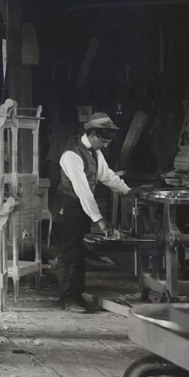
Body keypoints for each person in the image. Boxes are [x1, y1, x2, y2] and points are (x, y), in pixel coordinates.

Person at [52, 111, 137, 313]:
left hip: (80, 207)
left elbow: (107, 176)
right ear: (92, 134)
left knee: (80, 253)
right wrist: (100, 220)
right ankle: (67, 299)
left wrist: (128, 191)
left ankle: (77, 295)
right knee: (70, 253)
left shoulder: (94, 152)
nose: (106, 145)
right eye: (104, 141)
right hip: (68, 206)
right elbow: (83, 191)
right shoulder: (71, 154)